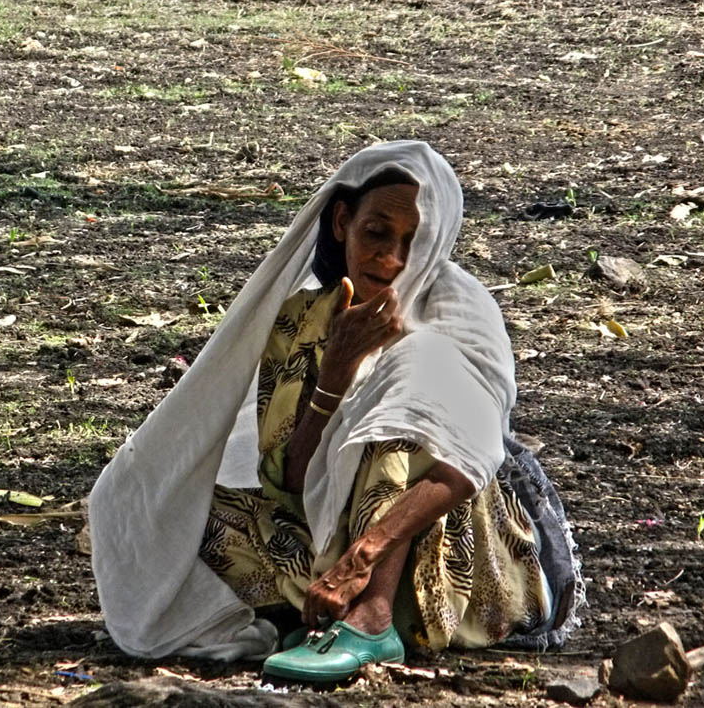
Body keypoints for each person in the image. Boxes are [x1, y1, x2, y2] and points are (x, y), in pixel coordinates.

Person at [88, 141, 583, 681]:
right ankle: (324, 614)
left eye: (412, 244)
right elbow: (292, 481)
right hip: (324, 553)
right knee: (165, 503)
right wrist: (336, 374)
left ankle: (372, 621)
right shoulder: (298, 322)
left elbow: (466, 462)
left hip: (443, 556)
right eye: (377, 233)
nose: (391, 259)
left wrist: (362, 558)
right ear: (344, 221)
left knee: (416, 368)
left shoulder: (456, 311)